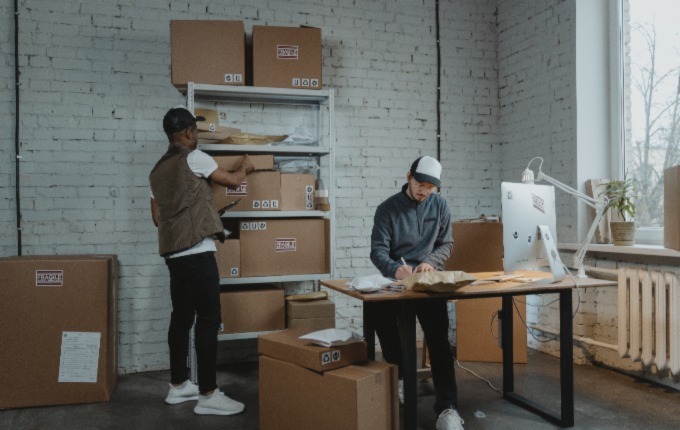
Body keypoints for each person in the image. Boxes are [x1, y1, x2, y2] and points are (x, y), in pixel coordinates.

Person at [149, 105, 255, 416]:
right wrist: (247, 167)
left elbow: (157, 218)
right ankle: (209, 394)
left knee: (181, 318)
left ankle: (179, 386)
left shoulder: (156, 171)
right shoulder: (195, 158)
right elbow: (232, 181)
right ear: (186, 133)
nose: (196, 134)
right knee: (209, 319)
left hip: (174, 255)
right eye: (193, 130)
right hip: (197, 252)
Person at [370, 155, 464, 430]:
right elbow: (378, 250)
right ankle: (400, 378)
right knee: (379, 315)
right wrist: (394, 269)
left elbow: (446, 244)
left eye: (430, 187)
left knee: (439, 342)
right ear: (408, 175)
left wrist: (430, 262)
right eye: (421, 184)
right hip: (398, 280)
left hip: (427, 280)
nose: (424, 191)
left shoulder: (440, 205)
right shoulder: (387, 209)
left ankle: (447, 409)